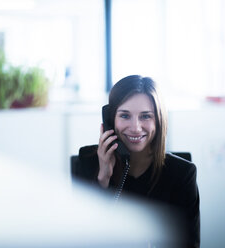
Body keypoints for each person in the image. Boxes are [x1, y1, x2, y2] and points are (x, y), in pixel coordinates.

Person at [74, 75, 200, 247]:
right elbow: (80, 240)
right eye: (125, 116)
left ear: (159, 120)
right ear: (110, 120)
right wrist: (103, 178)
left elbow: (188, 244)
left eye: (145, 116)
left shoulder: (182, 174)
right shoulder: (88, 161)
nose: (135, 127)